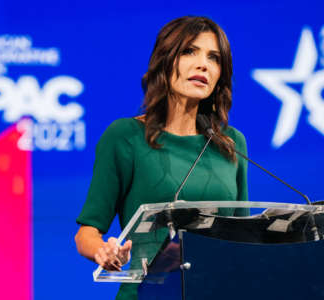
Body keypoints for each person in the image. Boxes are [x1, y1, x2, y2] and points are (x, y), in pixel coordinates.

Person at [75, 16, 249, 299]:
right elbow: (86, 233)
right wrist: (103, 251)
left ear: (220, 75)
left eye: (214, 57)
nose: (203, 64)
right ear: (165, 60)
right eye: (189, 51)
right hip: (147, 293)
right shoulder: (125, 137)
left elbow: (244, 239)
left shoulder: (231, 144)